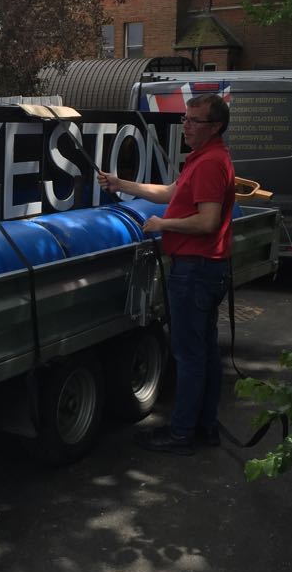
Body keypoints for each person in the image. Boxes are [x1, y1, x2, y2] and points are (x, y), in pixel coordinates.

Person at [98, 93, 235, 455]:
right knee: (203, 351)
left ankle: (182, 433)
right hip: (204, 269)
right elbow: (171, 192)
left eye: (194, 120)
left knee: (189, 355)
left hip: (196, 270)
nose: (185, 125)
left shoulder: (210, 164)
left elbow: (207, 221)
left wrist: (163, 225)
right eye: (185, 118)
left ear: (215, 126)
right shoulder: (204, 158)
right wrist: (121, 184)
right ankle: (203, 427)